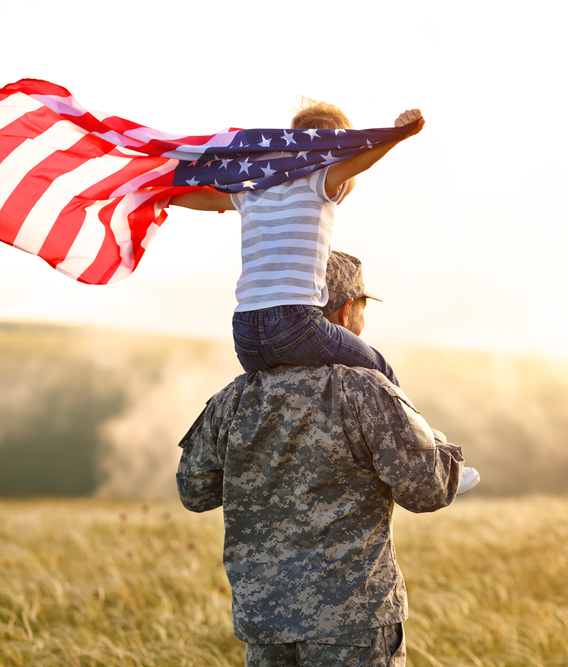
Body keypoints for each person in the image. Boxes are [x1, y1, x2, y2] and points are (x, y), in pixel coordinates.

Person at [176, 251, 479, 666]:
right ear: (345, 310)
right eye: (363, 308)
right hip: (352, 624)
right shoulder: (364, 389)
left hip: (265, 626)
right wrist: (440, 448)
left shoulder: (233, 399)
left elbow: (194, 491)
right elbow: (427, 490)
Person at [169, 101, 423, 386]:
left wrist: (157, 194)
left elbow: (204, 198)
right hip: (295, 325)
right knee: (381, 371)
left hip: (245, 336)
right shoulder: (318, 180)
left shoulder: (255, 187)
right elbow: (356, 164)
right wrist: (398, 135)